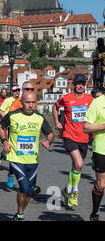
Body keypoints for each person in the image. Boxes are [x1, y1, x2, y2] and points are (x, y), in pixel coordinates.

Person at [0, 92, 54, 221]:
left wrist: (48, 141)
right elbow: (0, 127)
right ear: (22, 102)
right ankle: (20, 215)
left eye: (33, 102)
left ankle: (20, 212)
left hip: (33, 159)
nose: (30, 105)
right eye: (28, 102)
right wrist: (5, 141)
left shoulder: (39, 118)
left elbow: (50, 133)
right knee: (24, 187)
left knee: (27, 191)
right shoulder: (13, 115)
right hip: (16, 157)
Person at [53, 73, 93, 208]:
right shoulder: (66, 98)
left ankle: (67, 190)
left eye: (83, 83)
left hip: (84, 137)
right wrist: (57, 121)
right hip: (69, 135)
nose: (81, 86)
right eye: (78, 83)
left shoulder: (90, 99)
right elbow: (55, 106)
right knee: (79, 163)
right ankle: (74, 192)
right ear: (74, 84)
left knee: (76, 167)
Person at [83, 90, 105, 221]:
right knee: (101, 184)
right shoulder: (97, 103)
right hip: (102, 149)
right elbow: (86, 127)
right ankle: (95, 213)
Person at [0, 85, 21, 189]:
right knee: (11, 150)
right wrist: (7, 119)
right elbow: (1, 110)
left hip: (22, 129)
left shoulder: (23, 100)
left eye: (18, 90)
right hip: (11, 128)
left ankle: (3, 154)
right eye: (15, 91)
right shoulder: (8, 101)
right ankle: (11, 175)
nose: (17, 92)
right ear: (12, 91)